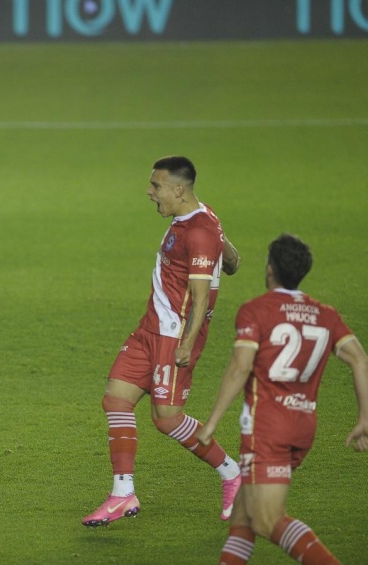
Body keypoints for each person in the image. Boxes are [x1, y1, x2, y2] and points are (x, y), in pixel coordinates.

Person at [82, 156, 243, 527]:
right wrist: (226, 251)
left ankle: (233, 473)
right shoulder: (200, 218)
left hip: (174, 336)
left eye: (155, 186)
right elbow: (232, 262)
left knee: (167, 420)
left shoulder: (199, 232)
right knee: (116, 398)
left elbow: (200, 298)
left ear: (177, 189)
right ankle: (123, 494)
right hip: (149, 328)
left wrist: (186, 345)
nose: (149, 192)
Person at [196, 234, 368, 565]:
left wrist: (213, 421)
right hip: (303, 428)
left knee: (267, 520)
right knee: (244, 518)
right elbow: (360, 360)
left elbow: (240, 367)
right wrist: (364, 419)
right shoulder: (326, 315)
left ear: (270, 269)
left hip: (267, 430)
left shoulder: (256, 311)